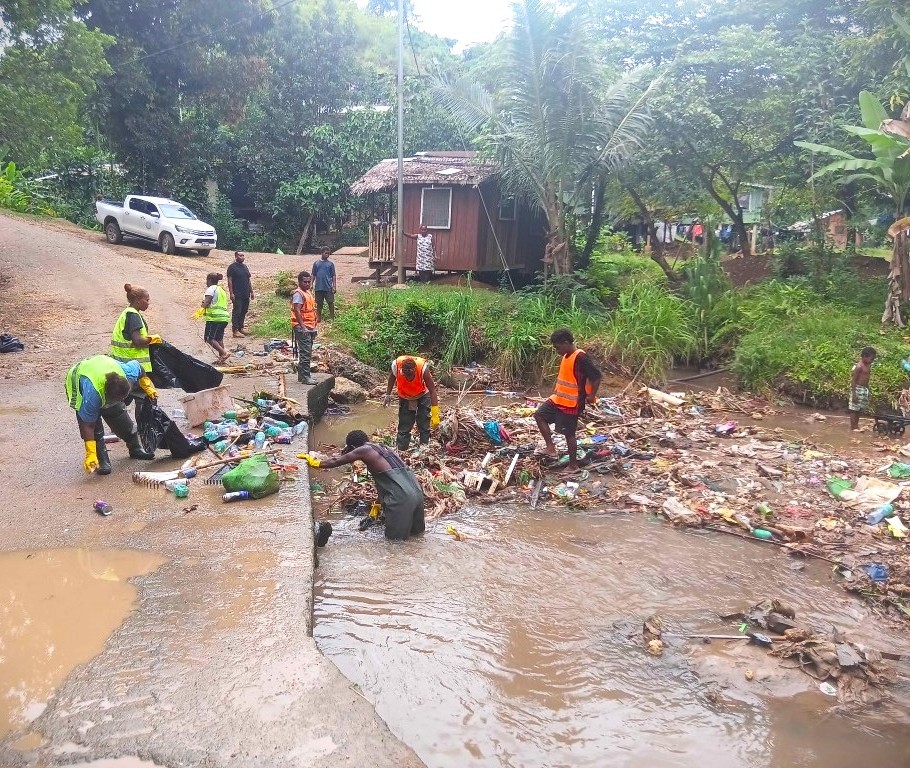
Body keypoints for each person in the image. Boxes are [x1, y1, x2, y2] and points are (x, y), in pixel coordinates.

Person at [303, 430, 425, 540]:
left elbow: (336, 461)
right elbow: (391, 481)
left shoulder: (363, 450)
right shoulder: (384, 448)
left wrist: (316, 463)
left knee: (395, 544)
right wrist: (377, 504)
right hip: (417, 493)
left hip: (401, 498)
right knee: (417, 537)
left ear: (353, 446)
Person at [65, 354, 155, 475]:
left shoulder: (128, 373)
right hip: (80, 378)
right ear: (107, 393)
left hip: (103, 367)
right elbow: (87, 425)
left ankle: (135, 449)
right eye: (116, 398)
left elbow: (140, 368)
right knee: (94, 425)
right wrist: (90, 452)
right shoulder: (93, 394)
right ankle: (101, 460)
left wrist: (147, 385)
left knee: (118, 414)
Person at [534, 328, 602, 470]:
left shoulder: (581, 357)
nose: (557, 351)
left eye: (557, 347)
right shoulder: (566, 356)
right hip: (558, 399)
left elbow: (596, 376)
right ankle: (550, 447)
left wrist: (591, 395)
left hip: (572, 403)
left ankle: (573, 466)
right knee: (539, 415)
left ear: (566, 343)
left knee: (569, 434)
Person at [383, 355, 440, 451]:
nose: (408, 378)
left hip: (422, 394)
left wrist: (435, 413)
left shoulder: (422, 369)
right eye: (405, 374)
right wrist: (387, 395)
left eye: (410, 375)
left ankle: (424, 448)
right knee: (405, 424)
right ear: (402, 370)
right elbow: (392, 378)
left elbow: (432, 390)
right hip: (405, 396)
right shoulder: (396, 365)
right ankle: (401, 450)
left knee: (424, 421)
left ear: (414, 369)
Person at [110, 283, 162, 374]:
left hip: (122, 364)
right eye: (146, 300)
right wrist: (153, 339)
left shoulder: (127, 312)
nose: (148, 303)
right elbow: (137, 341)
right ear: (138, 300)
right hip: (133, 367)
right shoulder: (133, 315)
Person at [291, 270, 318, 385]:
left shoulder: (308, 293)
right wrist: (303, 327)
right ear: (299, 282)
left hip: (309, 326)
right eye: (305, 282)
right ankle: (306, 377)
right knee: (306, 353)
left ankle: (302, 376)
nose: (307, 284)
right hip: (303, 327)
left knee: (305, 352)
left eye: (309, 282)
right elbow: (297, 310)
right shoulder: (299, 294)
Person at [199, 272, 230, 364]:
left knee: (209, 338)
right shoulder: (222, 290)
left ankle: (224, 353)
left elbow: (207, 301)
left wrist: (201, 308)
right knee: (219, 338)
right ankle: (222, 358)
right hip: (224, 318)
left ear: (209, 280)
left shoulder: (211, 289)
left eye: (206, 280)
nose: (206, 282)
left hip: (215, 318)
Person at [226, 251, 254, 337]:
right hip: (237, 293)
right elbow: (229, 280)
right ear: (236, 256)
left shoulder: (245, 267)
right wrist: (231, 293)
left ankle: (241, 327)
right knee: (237, 311)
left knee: (244, 310)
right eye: (240, 255)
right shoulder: (232, 267)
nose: (242, 257)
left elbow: (248, 280)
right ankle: (235, 330)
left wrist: (251, 291)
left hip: (246, 293)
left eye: (243, 255)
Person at [849, 346, 877, 431]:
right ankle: (853, 427)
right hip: (857, 389)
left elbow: (867, 379)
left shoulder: (868, 365)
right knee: (854, 409)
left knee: (859, 408)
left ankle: (856, 426)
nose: (872, 361)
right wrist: (854, 394)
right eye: (871, 359)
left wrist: (868, 391)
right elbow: (854, 381)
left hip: (864, 389)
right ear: (864, 356)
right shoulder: (859, 367)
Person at [311, 247, 337, 322]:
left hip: (328, 287)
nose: (327, 255)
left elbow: (333, 276)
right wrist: (311, 284)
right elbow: (313, 274)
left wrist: (334, 286)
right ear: (321, 253)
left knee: (330, 302)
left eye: (328, 253)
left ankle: (332, 317)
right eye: (326, 253)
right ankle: (318, 317)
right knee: (319, 303)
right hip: (318, 287)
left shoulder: (330, 264)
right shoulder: (316, 263)